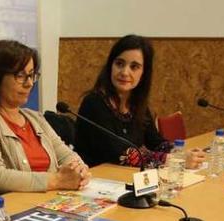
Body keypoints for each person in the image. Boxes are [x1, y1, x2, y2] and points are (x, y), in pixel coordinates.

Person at [0, 40, 90, 197]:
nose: (29, 83)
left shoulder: (35, 118)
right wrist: (57, 180)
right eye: (20, 75)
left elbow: (66, 155)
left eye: (31, 75)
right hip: (8, 213)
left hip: (51, 203)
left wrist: (80, 170)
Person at [75, 35, 205, 168]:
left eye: (134, 67)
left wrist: (180, 152)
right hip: (99, 180)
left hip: (127, 179)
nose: (125, 72)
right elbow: (121, 155)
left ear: (143, 73)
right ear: (110, 66)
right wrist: (176, 160)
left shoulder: (136, 103)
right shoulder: (94, 103)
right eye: (119, 64)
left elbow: (156, 142)